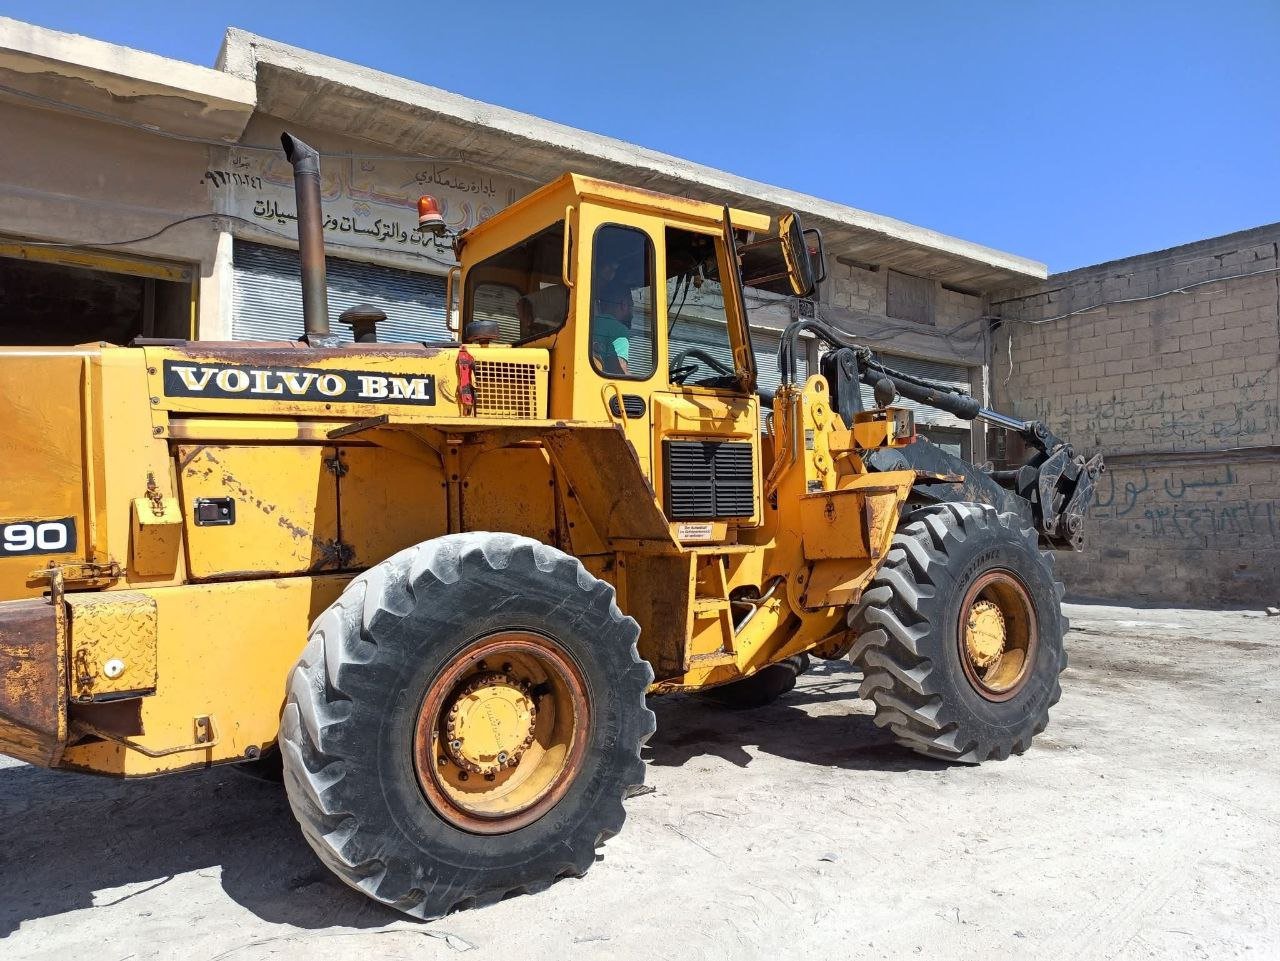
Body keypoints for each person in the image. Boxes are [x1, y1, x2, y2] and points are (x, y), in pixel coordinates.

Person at [590, 283, 633, 376]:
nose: (632, 312)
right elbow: (619, 372)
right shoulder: (619, 331)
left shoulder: (589, 323)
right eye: (631, 306)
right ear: (624, 304)